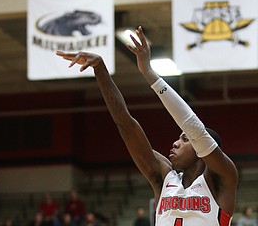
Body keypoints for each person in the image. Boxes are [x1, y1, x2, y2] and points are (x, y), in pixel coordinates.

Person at [56, 25, 238, 226]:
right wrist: (101, 71)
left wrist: (149, 73)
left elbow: (194, 127)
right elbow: (125, 124)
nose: (175, 143)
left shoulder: (222, 179)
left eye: (184, 139)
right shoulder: (164, 177)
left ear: (204, 150)